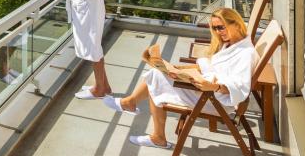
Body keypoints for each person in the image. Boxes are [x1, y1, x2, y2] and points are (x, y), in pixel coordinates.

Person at [105, 8, 258, 148]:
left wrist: (214, 87)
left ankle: (152, 129)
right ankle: (131, 105)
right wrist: (179, 70)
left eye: (221, 27)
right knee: (158, 74)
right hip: (207, 91)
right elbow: (214, 69)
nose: (218, 32)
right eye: (214, 28)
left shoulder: (245, 54)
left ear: (236, 24)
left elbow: (239, 88)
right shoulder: (232, 44)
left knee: (156, 79)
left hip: (215, 101)